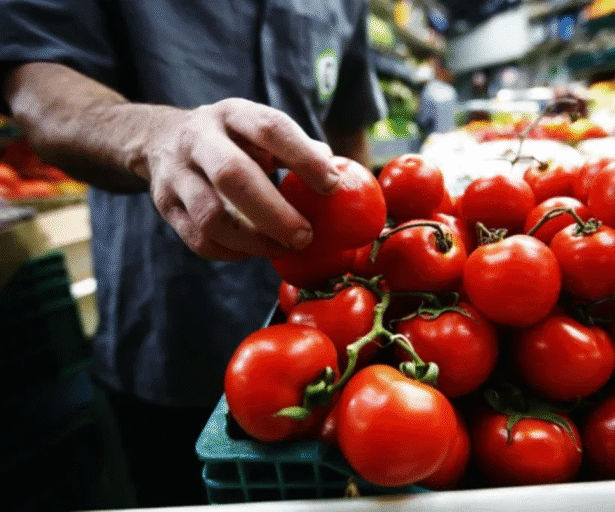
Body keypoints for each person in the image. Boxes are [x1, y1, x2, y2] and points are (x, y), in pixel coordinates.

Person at [0, 0, 387, 508]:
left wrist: (369, 250)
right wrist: (157, 136)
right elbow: (37, 81)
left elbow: (345, 124)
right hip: (171, 332)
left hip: (335, 338)